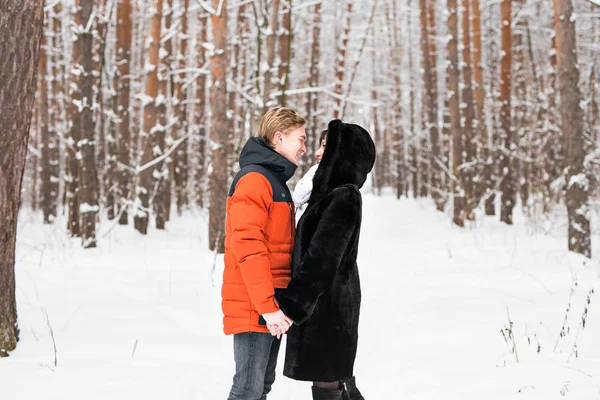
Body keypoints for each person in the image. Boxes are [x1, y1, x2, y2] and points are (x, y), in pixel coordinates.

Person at [271, 119, 375, 400]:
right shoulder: (328, 195)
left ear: (345, 154)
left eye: (326, 147)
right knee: (335, 381)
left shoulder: (343, 196)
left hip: (329, 306)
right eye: (319, 145)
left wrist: (292, 306)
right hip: (325, 303)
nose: (317, 153)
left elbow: (322, 260)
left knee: (327, 383)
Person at [221, 107, 307, 400]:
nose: (304, 148)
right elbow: (248, 247)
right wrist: (267, 307)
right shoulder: (255, 180)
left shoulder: (275, 182)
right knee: (247, 389)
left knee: (260, 387)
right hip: (255, 302)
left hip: (271, 301)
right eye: (301, 139)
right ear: (279, 137)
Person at [292, 130, 328, 209]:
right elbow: (298, 197)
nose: (317, 153)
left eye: (324, 145)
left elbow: (299, 197)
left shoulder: (343, 193)